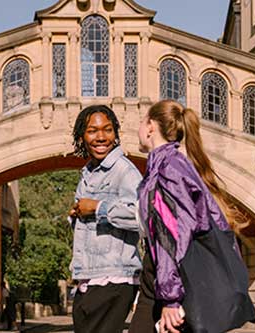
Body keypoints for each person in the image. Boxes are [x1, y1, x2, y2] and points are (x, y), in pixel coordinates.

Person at [130, 100, 240, 333]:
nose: (138, 128)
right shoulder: (163, 166)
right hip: (160, 274)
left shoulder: (169, 169)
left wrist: (171, 298)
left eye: (141, 121)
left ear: (150, 126)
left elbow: (171, 234)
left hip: (174, 276)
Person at [69, 105, 143, 333]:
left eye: (107, 130)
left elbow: (140, 216)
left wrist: (98, 207)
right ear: (82, 136)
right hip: (89, 276)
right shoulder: (89, 173)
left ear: (116, 133)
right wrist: (77, 216)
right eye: (92, 131)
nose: (101, 137)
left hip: (114, 278)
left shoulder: (124, 171)